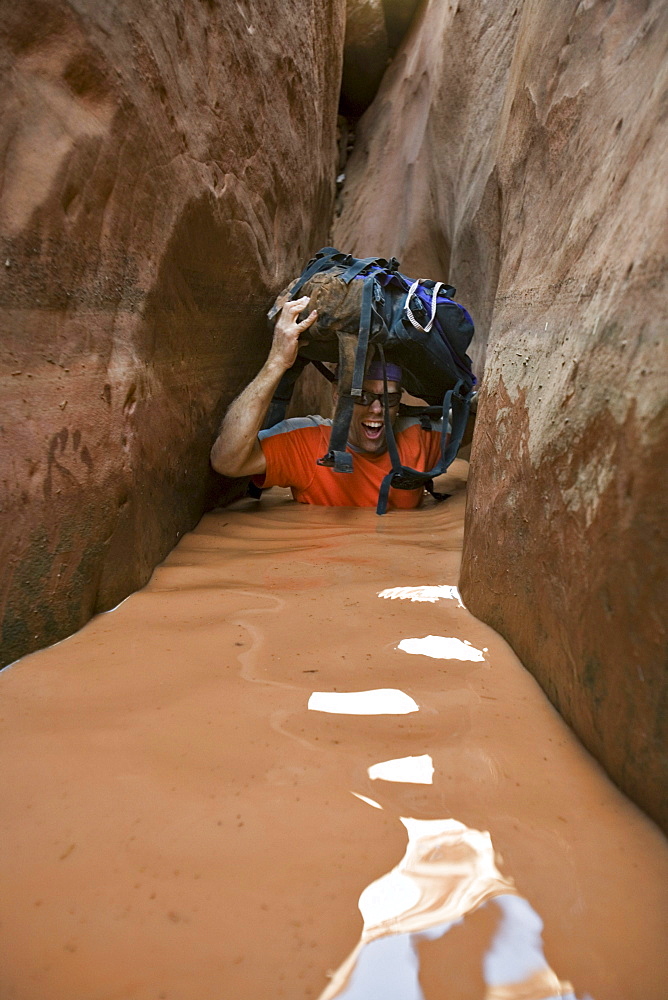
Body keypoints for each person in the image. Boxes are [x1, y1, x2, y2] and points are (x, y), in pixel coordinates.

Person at [210, 296, 446, 509]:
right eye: (361, 396)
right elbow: (227, 461)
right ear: (337, 394)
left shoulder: (420, 436)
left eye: (389, 399)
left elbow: (471, 429)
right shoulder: (306, 444)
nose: (376, 409)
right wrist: (277, 362)